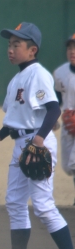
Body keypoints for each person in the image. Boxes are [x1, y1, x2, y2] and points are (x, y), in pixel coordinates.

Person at [0, 22, 75, 249]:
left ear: (32, 50)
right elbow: (15, 118)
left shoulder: (38, 74)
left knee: (43, 206)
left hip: (37, 142)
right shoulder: (16, 80)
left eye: (17, 44)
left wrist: (39, 139)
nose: (10, 49)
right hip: (21, 143)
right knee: (14, 202)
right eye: (9, 44)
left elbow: (53, 110)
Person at [52, 32, 75, 206]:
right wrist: (53, 117)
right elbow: (57, 99)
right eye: (70, 48)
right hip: (68, 124)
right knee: (68, 167)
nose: (72, 51)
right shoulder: (60, 73)